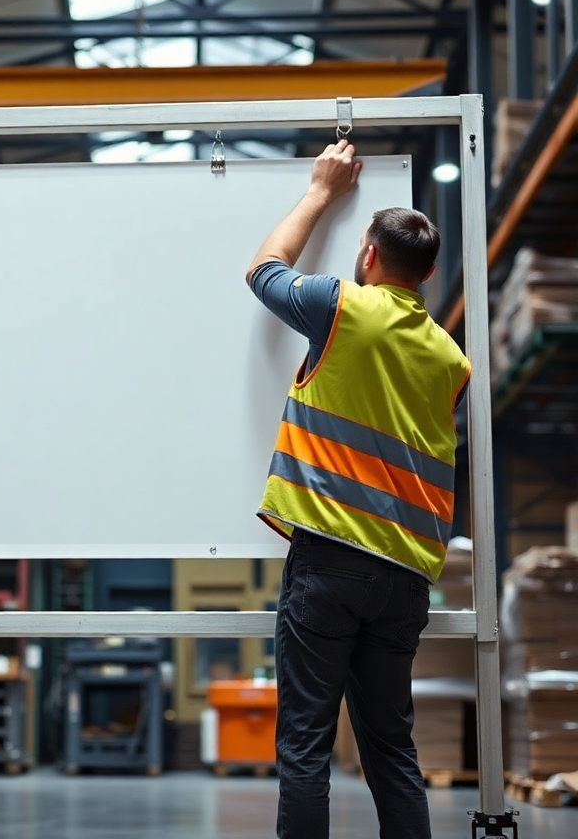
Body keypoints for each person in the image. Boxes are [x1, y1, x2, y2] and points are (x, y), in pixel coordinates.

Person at [245, 140, 471, 839]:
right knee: (391, 751)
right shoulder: (450, 357)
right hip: (404, 579)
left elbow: (262, 271)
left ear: (368, 257)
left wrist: (319, 191)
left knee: (306, 749)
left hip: (331, 562)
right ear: (429, 274)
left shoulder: (343, 307)